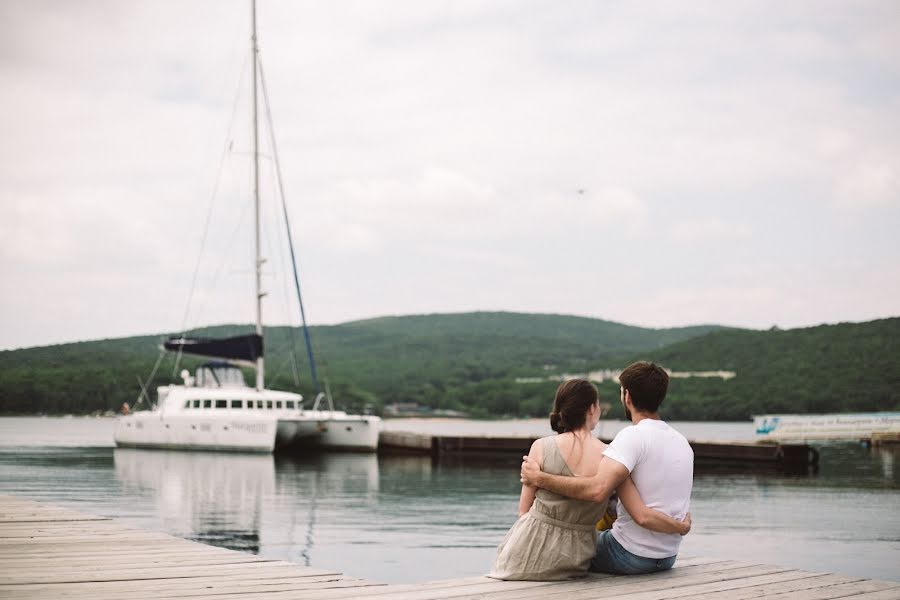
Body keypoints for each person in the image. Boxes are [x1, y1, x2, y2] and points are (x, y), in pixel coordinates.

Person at [490, 378, 690, 581]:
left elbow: (523, 513)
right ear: (593, 409)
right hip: (576, 559)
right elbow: (637, 510)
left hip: (525, 554)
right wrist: (679, 526)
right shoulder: (610, 455)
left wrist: (540, 478)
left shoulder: (540, 447)